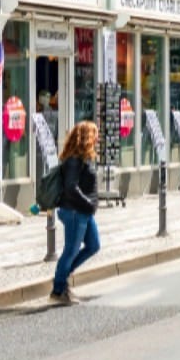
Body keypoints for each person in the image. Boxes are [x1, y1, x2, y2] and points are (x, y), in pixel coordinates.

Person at [50, 120, 101, 305]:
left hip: (83, 211)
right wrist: (89, 203)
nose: (98, 138)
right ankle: (58, 289)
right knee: (71, 249)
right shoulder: (73, 160)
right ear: (87, 137)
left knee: (93, 245)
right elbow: (71, 187)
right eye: (95, 134)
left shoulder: (83, 158)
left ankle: (62, 275)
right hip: (74, 211)